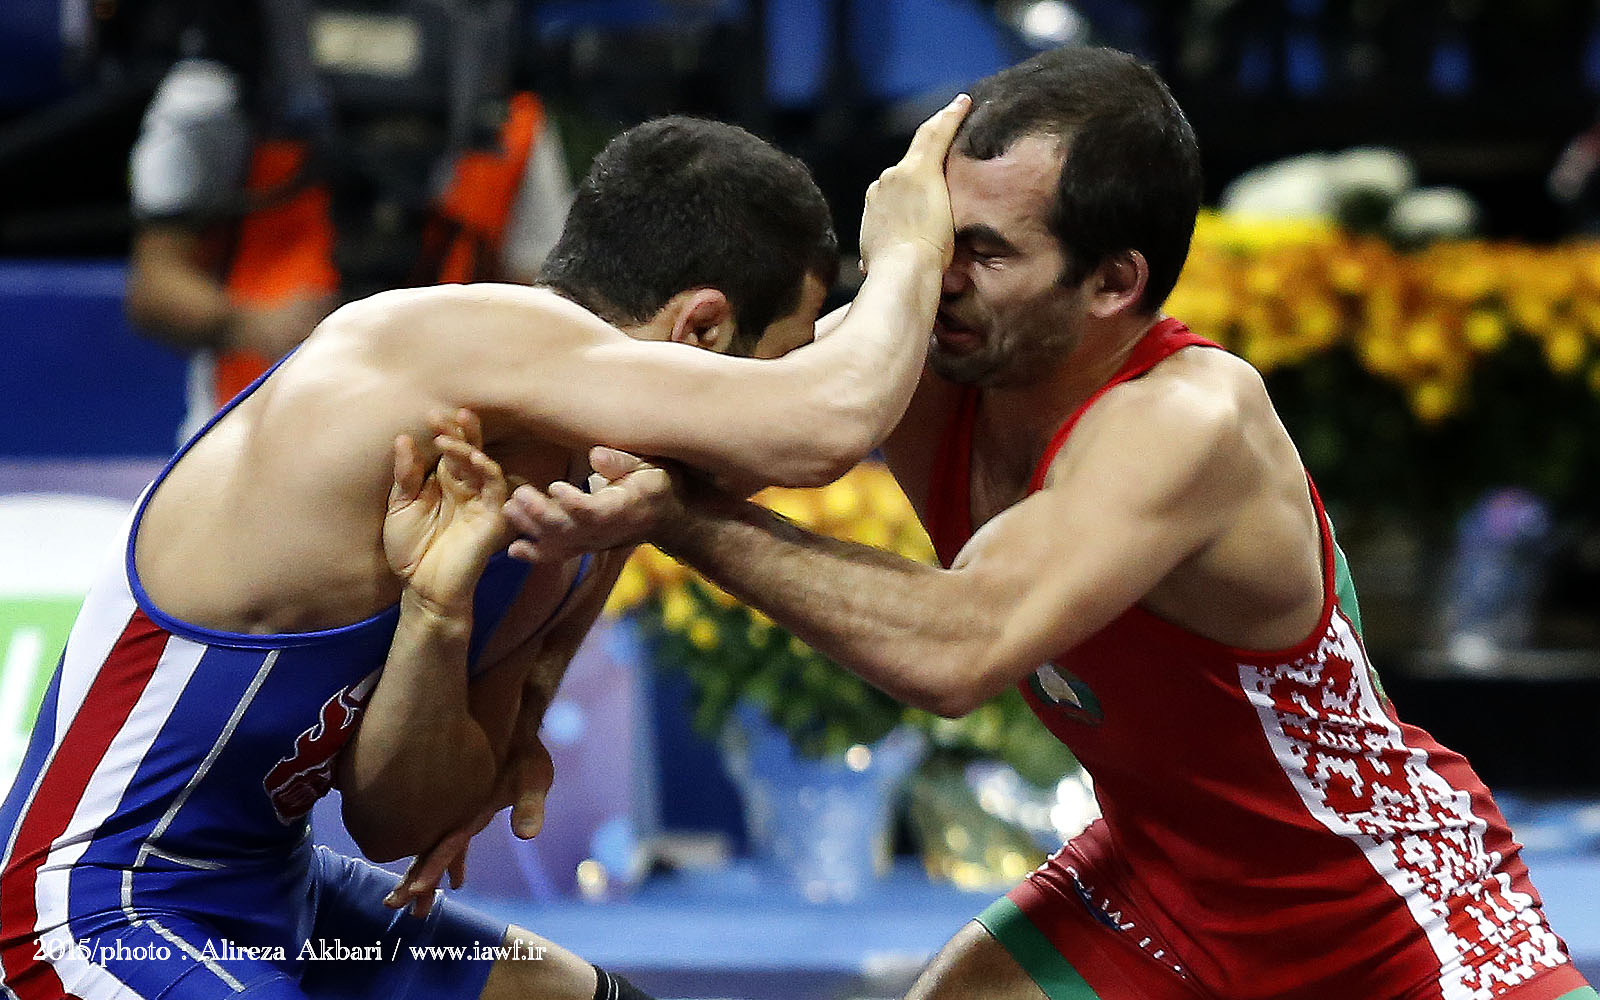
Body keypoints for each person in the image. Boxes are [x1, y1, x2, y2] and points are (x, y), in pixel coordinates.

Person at [503, 47, 1598, 1000]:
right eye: (936, 236)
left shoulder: (1187, 419)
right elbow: (642, 449)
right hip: (1159, 880)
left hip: (1390, 921)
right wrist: (527, 695)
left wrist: (682, 520)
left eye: (984, 252)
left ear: (1113, 281)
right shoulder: (926, 350)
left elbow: (956, 648)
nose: (937, 279)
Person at [0, 97, 972, 1000]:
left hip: (281, 895)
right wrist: (909, 250)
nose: (777, 396)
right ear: (703, 329)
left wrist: (438, 615)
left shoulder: (584, 498)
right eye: (779, 360)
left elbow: (399, 823)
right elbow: (827, 421)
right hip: (95, 910)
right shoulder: (458, 339)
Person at [125, 0, 576, 442]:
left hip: (445, 434)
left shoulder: (503, 106)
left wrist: (458, 336)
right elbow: (155, 284)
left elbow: (545, 300)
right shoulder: (222, 85)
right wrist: (255, 326)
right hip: (248, 424)